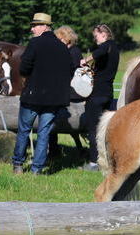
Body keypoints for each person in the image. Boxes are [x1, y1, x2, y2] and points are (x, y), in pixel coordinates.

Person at [12, 13, 71, 175]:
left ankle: (18, 164)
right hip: (53, 100)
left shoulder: (35, 43)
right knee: (44, 133)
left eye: (35, 25)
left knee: (24, 130)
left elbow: (23, 69)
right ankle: (37, 169)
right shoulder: (62, 47)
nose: (32, 29)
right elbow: (69, 72)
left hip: (33, 96)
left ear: (45, 26)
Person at [79, 24, 119, 171]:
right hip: (108, 94)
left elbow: (100, 52)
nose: (95, 39)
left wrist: (85, 60)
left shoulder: (107, 45)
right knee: (106, 130)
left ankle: (93, 162)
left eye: (96, 36)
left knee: (93, 129)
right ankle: (108, 160)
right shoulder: (115, 48)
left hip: (96, 95)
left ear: (103, 34)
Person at [49, 25, 84, 157]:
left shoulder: (73, 52)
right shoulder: (71, 51)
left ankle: (53, 150)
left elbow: (69, 72)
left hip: (72, 93)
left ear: (66, 39)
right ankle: (53, 149)